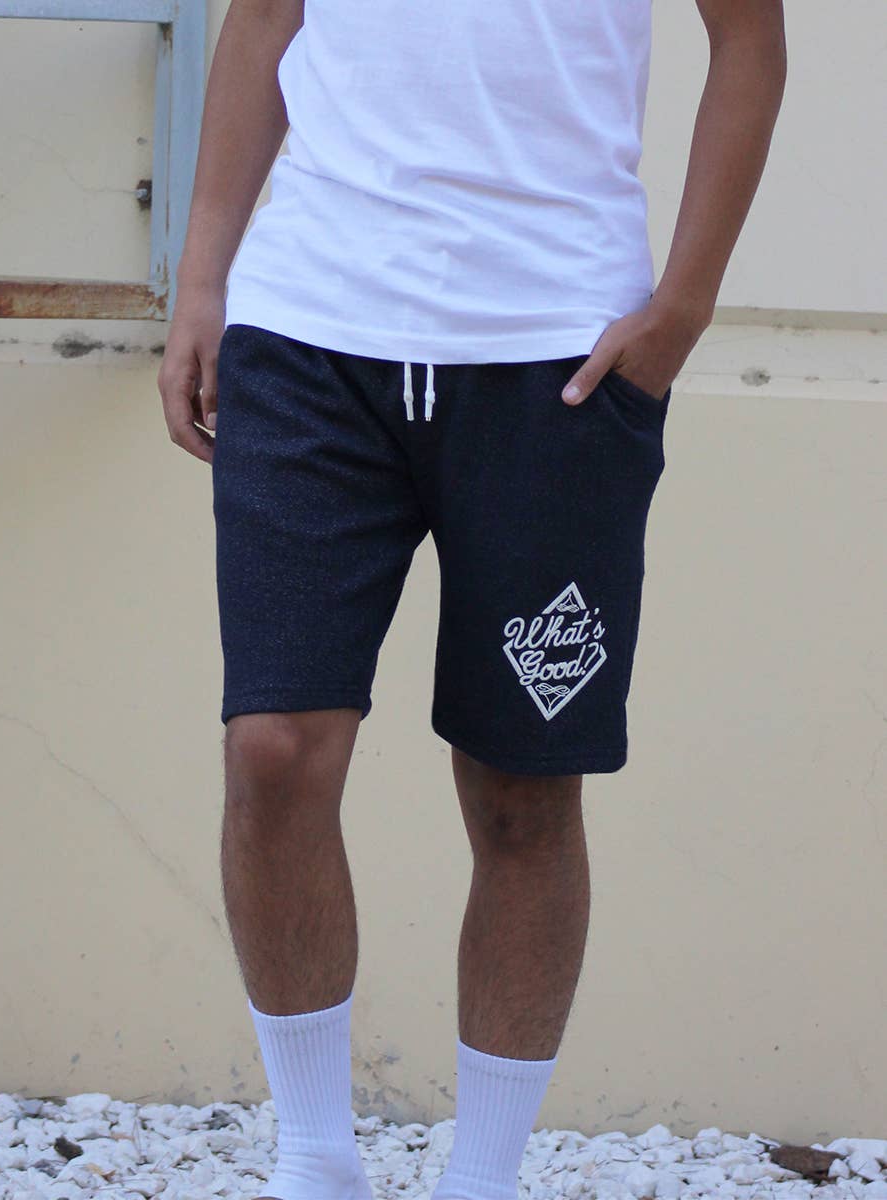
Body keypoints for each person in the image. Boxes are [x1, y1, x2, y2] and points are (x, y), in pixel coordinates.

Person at [157, 0, 786, 1196]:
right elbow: (266, 18)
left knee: (521, 794)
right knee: (273, 751)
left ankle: (484, 1177)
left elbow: (749, 38)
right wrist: (203, 282)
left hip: (556, 356)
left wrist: (684, 306)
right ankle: (313, 1159)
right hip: (310, 328)